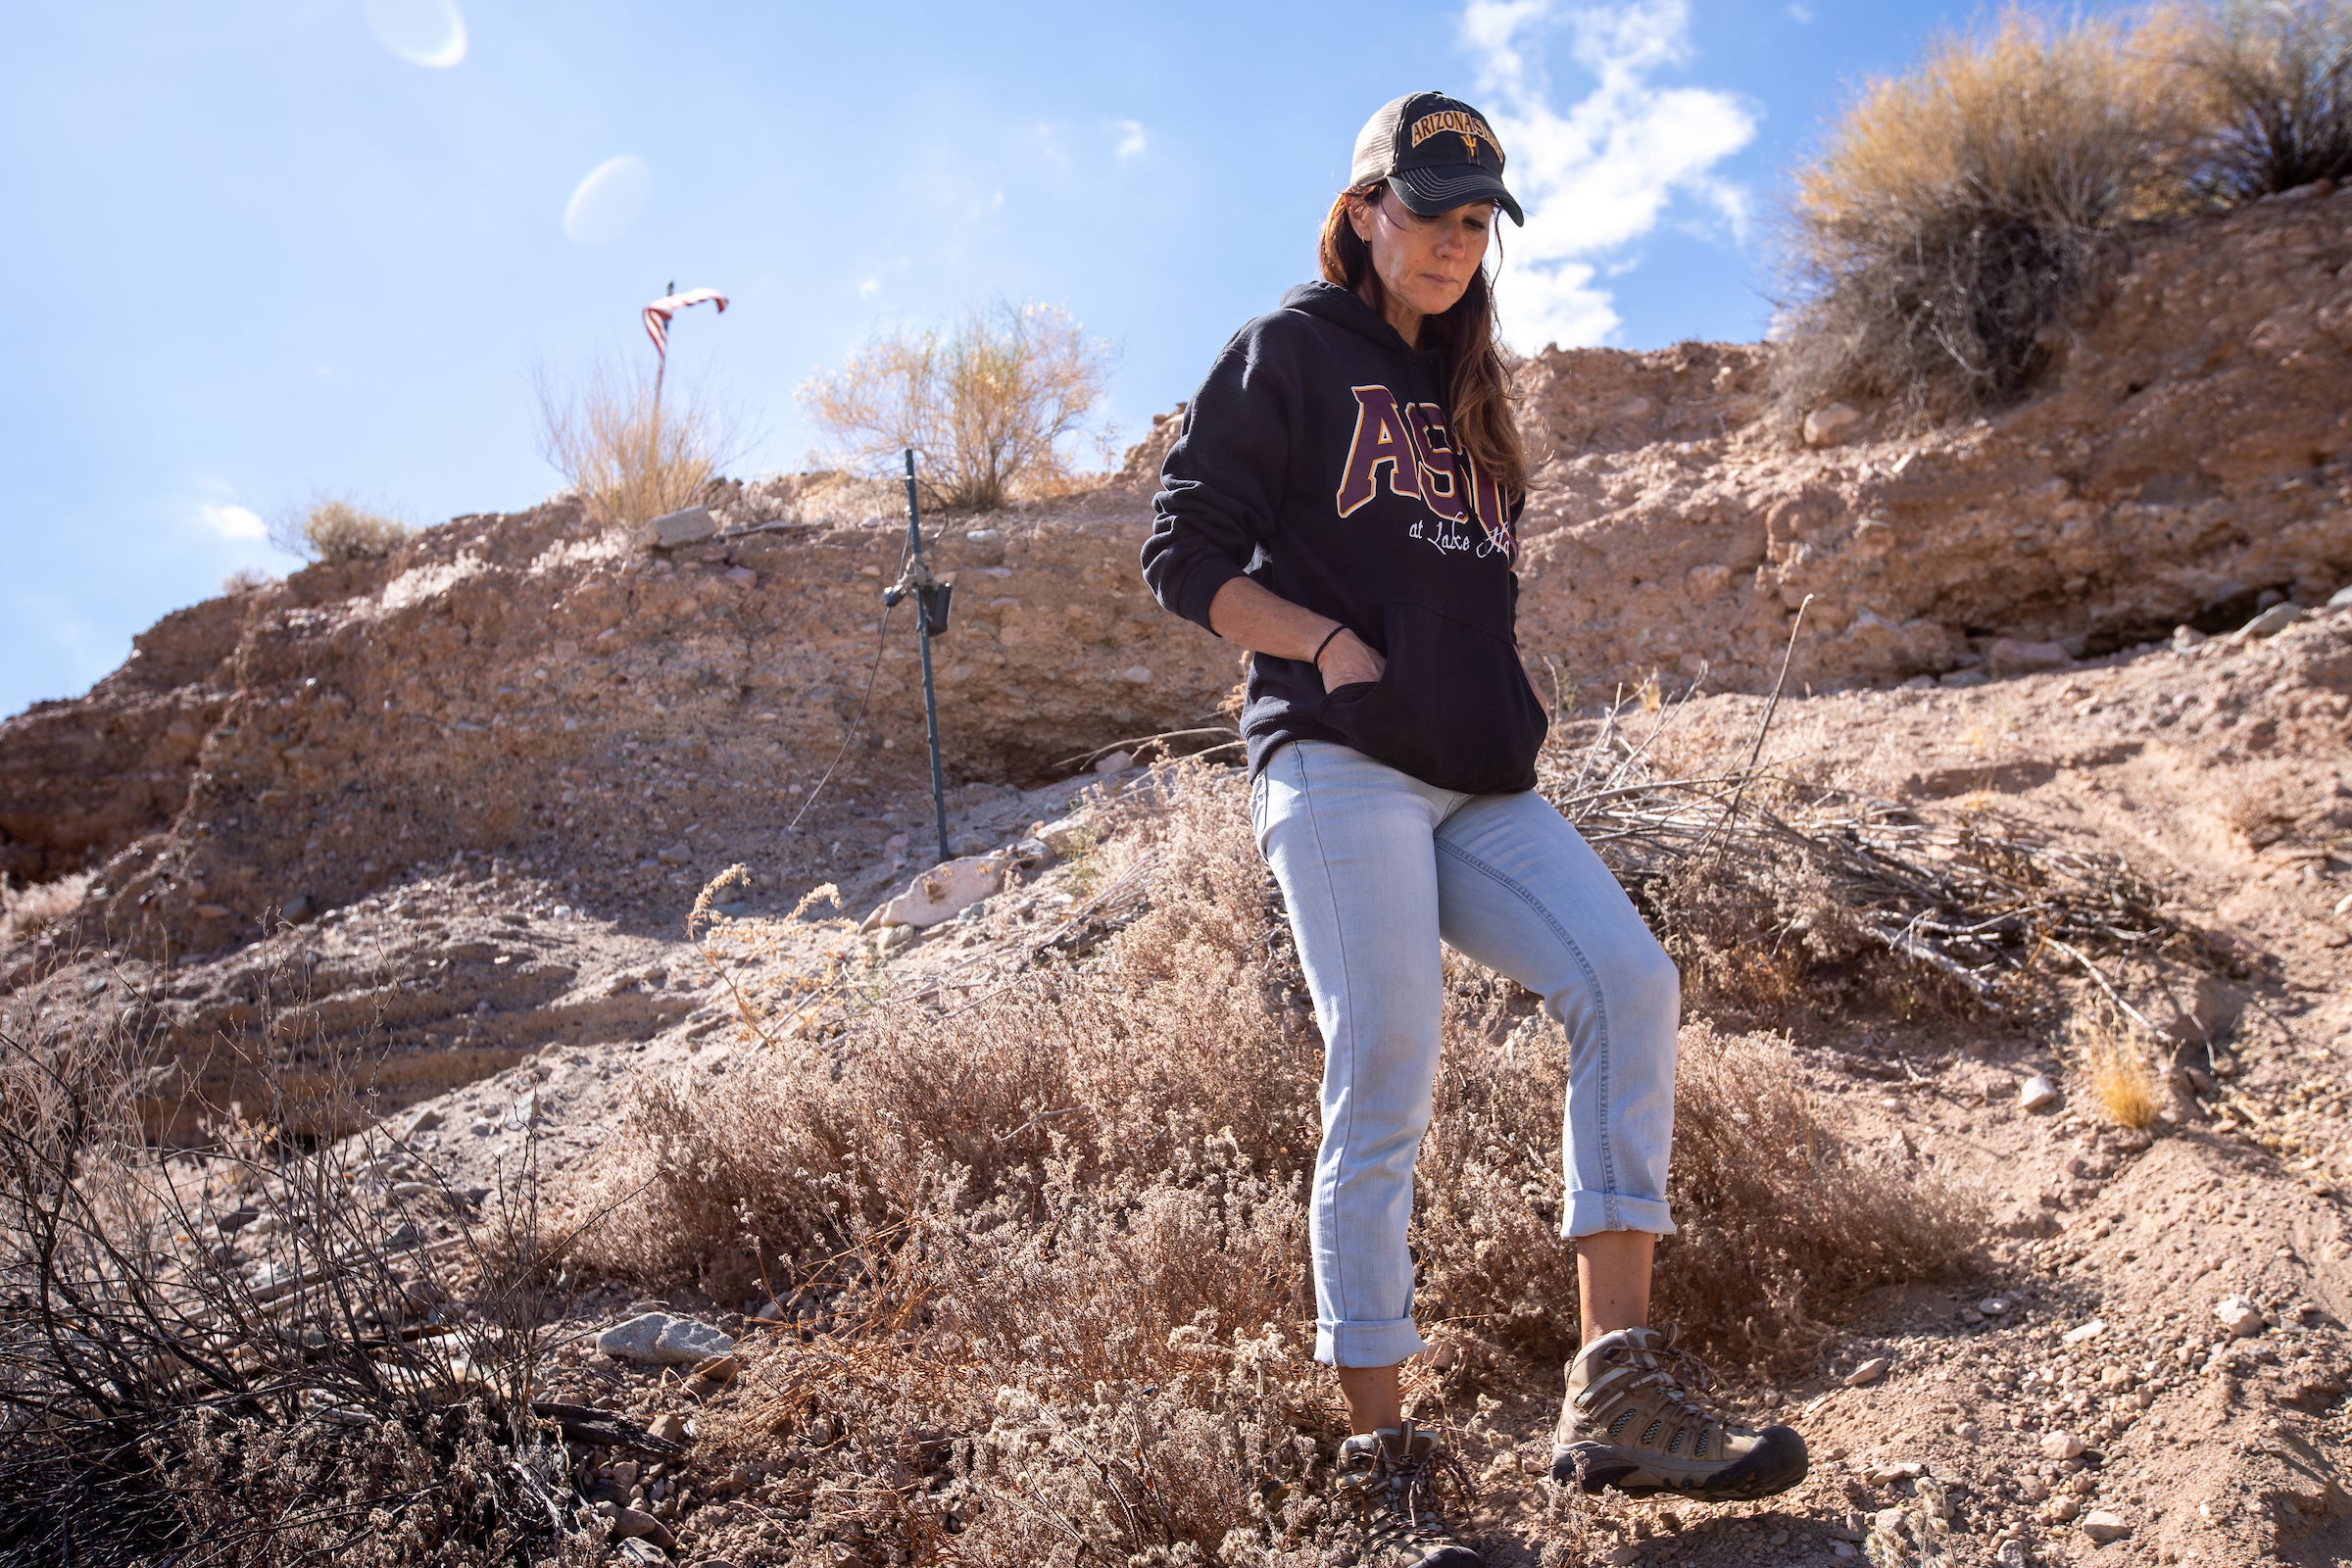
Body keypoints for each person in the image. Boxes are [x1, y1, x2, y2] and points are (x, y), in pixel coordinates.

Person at [1140, 91, 1808, 1566]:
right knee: (1386, 1064)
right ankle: (1386, 1461)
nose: (1448, 241)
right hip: (1337, 763)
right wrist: (1323, 648)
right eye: (1425, 209)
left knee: (1628, 983)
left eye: (1471, 220)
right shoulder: (1289, 352)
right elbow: (1183, 556)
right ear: (1364, 208)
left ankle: (1615, 1387)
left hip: (1479, 781)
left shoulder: (1478, 392)